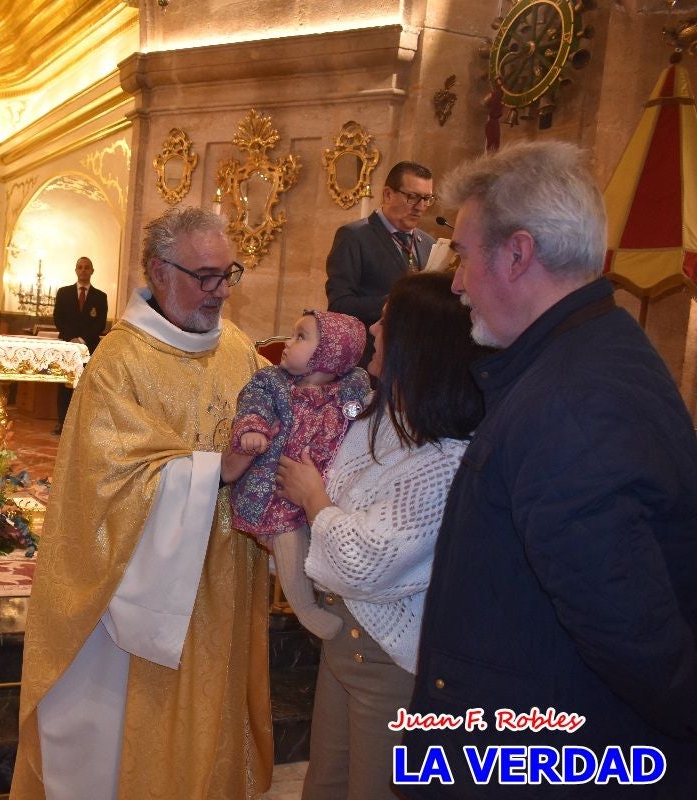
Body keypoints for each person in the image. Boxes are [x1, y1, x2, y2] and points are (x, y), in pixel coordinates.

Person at [402, 141, 697, 797]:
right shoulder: (589, 356)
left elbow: (636, 640)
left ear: (518, 253)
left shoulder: (572, 404)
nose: (455, 280)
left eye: (464, 254)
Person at [11, 207, 273, 799]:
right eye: (204, 276)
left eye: (227, 274)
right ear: (158, 270)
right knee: (137, 729)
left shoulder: (236, 347)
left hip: (226, 571)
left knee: (211, 708)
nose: (220, 292)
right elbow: (104, 484)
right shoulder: (118, 362)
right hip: (139, 589)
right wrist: (215, 472)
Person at [272, 270, 489, 800]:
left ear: (418, 343)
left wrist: (314, 500)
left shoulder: (445, 458)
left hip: (391, 662)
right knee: (324, 784)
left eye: (387, 321)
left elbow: (366, 560)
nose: (372, 325)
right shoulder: (382, 416)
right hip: (343, 644)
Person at [222, 309, 370, 640]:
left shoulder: (349, 387)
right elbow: (253, 405)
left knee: (328, 530)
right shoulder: (272, 383)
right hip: (278, 487)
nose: (288, 344)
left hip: (326, 487)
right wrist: (252, 430)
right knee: (288, 535)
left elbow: (363, 411)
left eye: (301, 337)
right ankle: (304, 608)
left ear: (328, 354)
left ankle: (322, 585)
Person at [325, 161, 436, 364]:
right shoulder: (354, 236)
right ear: (387, 194)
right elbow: (338, 304)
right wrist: (395, 302)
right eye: (412, 197)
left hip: (414, 359)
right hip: (368, 358)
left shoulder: (429, 243)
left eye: (427, 199)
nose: (420, 207)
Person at [51, 256, 108, 435]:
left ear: (92, 271)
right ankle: (62, 422)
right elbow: (58, 319)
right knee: (64, 385)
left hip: (89, 347)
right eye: (80, 267)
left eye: (86, 267)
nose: (83, 270)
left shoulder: (100, 297)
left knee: (86, 386)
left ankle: (83, 425)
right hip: (67, 347)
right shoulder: (63, 293)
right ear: (76, 270)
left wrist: (82, 340)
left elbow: (99, 323)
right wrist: (72, 339)